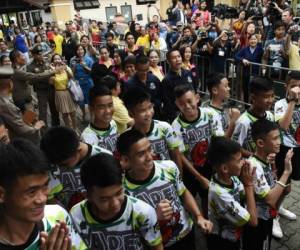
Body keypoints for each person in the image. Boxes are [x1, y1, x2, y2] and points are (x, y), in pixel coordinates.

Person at [118, 129, 213, 249]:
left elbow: (183, 193)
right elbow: (131, 231)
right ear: (126, 160)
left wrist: (198, 216)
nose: (149, 157)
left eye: (149, 149)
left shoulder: (169, 167)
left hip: (185, 233)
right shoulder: (123, 192)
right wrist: (154, 217)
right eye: (141, 154)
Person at [0, 138, 87, 250]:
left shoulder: (57, 217)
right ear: (2, 194)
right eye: (31, 192)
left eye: (45, 186)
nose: (42, 199)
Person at [70, 153, 163, 249]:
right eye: (105, 199)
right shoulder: (77, 215)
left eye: (119, 193)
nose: (115, 204)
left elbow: (156, 246)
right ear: (88, 196)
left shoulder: (143, 213)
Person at [172, 84, 224, 216]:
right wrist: (199, 177)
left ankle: (207, 220)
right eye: (182, 104)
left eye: (189, 101)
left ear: (197, 98)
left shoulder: (211, 115)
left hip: (210, 164)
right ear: (177, 104)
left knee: (208, 197)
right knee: (188, 197)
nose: (187, 106)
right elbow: (181, 156)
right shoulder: (176, 126)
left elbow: (219, 142)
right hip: (190, 168)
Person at [243, 119, 294, 250]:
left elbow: (272, 183)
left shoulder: (265, 160)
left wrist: (273, 166)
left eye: (280, 137)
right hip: (258, 221)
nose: (279, 142)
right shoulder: (253, 166)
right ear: (260, 143)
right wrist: (287, 172)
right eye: (275, 138)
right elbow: (271, 199)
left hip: (267, 217)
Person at [40, 126, 111, 210]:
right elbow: (51, 197)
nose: (59, 168)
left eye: (64, 165)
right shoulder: (52, 162)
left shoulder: (103, 159)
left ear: (78, 150)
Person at [206, 137, 257, 250]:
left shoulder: (231, 178)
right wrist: (248, 185)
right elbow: (253, 221)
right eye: (239, 160)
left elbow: (246, 196)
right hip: (223, 242)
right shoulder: (220, 194)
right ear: (225, 168)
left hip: (235, 234)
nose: (244, 162)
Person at [123, 87, 183, 171]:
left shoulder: (165, 128)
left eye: (150, 107)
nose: (148, 113)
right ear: (130, 113)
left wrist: (179, 179)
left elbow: (176, 155)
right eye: (142, 110)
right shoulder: (127, 138)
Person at [0, 66, 45, 144]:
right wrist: (36, 127)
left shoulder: (6, 98)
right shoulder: (5, 104)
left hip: (27, 113)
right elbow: (21, 128)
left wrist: (31, 119)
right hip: (23, 140)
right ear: (10, 83)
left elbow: (18, 114)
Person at [232, 76, 275, 157]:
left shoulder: (270, 116)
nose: (270, 100)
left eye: (272, 96)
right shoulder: (243, 122)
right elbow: (236, 148)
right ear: (253, 98)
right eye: (266, 97)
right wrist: (257, 157)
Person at [27, 44, 60, 128]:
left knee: (55, 110)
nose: (41, 55)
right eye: (38, 54)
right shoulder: (30, 67)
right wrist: (43, 76)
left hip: (51, 89)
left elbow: (52, 73)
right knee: (43, 112)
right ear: (34, 55)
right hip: (41, 91)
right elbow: (30, 81)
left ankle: (56, 127)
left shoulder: (46, 62)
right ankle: (44, 131)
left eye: (41, 53)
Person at [162, 49, 198, 122]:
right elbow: (168, 103)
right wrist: (174, 119)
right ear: (168, 61)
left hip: (192, 110)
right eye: (174, 58)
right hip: (179, 115)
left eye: (179, 56)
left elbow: (194, 90)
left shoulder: (188, 73)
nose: (177, 59)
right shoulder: (167, 80)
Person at [81, 85, 118, 154]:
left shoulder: (113, 123)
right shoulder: (87, 137)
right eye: (101, 107)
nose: (108, 111)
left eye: (110, 105)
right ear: (91, 108)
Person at [204, 73, 240, 138]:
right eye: (226, 86)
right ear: (215, 90)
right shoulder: (210, 114)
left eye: (228, 85)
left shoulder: (223, 108)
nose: (229, 88)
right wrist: (233, 122)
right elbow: (221, 142)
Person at [49, 54, 78, 131]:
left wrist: (66, 69)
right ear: (52, 61)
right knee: (65, 114)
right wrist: (53, 71)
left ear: (61, 60)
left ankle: (75, 129)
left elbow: (71, 77)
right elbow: (51, 83)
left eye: (58, 59)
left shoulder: (65, 68)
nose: (57, 60)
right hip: (59, 94)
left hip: (68, 92)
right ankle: (69, 130)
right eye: (55, 59)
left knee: (73, 113)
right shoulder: (51, 71)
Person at [235, 34, 264, 102]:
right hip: (246, 73)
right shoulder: (245, 49)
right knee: (246, 90)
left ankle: (254, 105)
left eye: (254, 39)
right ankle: (246, 106)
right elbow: (236, 56)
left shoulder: (259, 48)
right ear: (248, 40)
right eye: (251, 39)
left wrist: (259, 41)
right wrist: (242, 59)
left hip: (256, 74)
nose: (253, 41)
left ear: (257, 40)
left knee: (255, 91)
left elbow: (262, 52)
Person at [70, 44, 93, 121]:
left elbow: (92, 72)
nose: (80, 51)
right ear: (76, 51)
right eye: (78, 49)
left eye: (81, 49)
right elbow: (71, 74)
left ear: (84, 50)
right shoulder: (73, 60)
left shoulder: (89, 59)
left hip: (88, 82)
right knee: (81, 102)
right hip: (78, 83)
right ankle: (83, 113)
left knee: (90, 100)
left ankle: (92, 116)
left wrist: (84, 66)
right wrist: (74, 66)